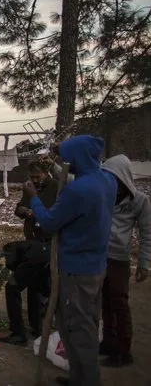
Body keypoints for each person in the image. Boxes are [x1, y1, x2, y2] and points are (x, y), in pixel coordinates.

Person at [23, 135, 117, 386]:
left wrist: (34, 197)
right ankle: (79, 378)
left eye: (67, 156)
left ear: (76, 157)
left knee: (78, 331)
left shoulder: (77, 191)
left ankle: (88, 381)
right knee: (82, 325)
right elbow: (72, 176)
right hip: (96, 266)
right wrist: (57, 154)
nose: (64, 161)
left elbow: (49, 223)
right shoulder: (106, 180)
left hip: (75, 270)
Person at [0, 161, 58, 345]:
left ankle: (19, 332)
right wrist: (23, 211)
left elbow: (54, 217)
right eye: (31, 176)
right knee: (34, 286)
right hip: (31, 243)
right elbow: (19, 208)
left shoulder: (57, 188)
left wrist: (35, 212)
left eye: (37, 176)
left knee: (15, 285)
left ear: (46, 173)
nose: (33, 180)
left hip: (47, 244)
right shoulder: (30, 188)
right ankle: (36, 327)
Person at [99, 154, 151, 367]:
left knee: (119, 303)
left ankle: (124, 350)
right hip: (100, 256)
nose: (112, 182)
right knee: (105, 302)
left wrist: (144, 263)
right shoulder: (104, 194)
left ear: (123, 177)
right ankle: (109, 342)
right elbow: (74, 179)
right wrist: (56, 165)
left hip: (119, 260)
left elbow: (147, 233)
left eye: (115, 178)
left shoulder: (139, 200)